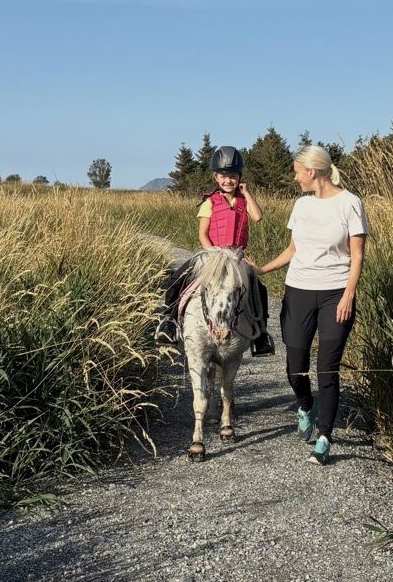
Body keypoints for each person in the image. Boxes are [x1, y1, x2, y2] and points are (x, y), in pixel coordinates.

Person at [253, 145, 367, 465]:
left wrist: (347, 295)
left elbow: (357, 256)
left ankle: (325, 437)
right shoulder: (301, 205)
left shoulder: (350, 204)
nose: (295, 176)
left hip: (335, 295)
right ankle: (305, 406)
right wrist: (263, 268)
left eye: (297, 171)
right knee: (295, 367)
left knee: (327, 370)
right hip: (298, 291)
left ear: (312, 172)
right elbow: (293, 249)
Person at [155, 146, 276, 356]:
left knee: (259, 287)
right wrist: (213, 255)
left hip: (236, 256)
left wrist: (246, 192)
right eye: (223, 176)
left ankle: (261, 334)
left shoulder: (243, 200)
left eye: (232, 176)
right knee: (178, 276)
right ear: (215, 177)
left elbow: (258, 217)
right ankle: (169, 321)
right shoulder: (209, 202)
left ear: (239, 177)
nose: (228, 181)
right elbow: (203, 234)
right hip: (212, 254)